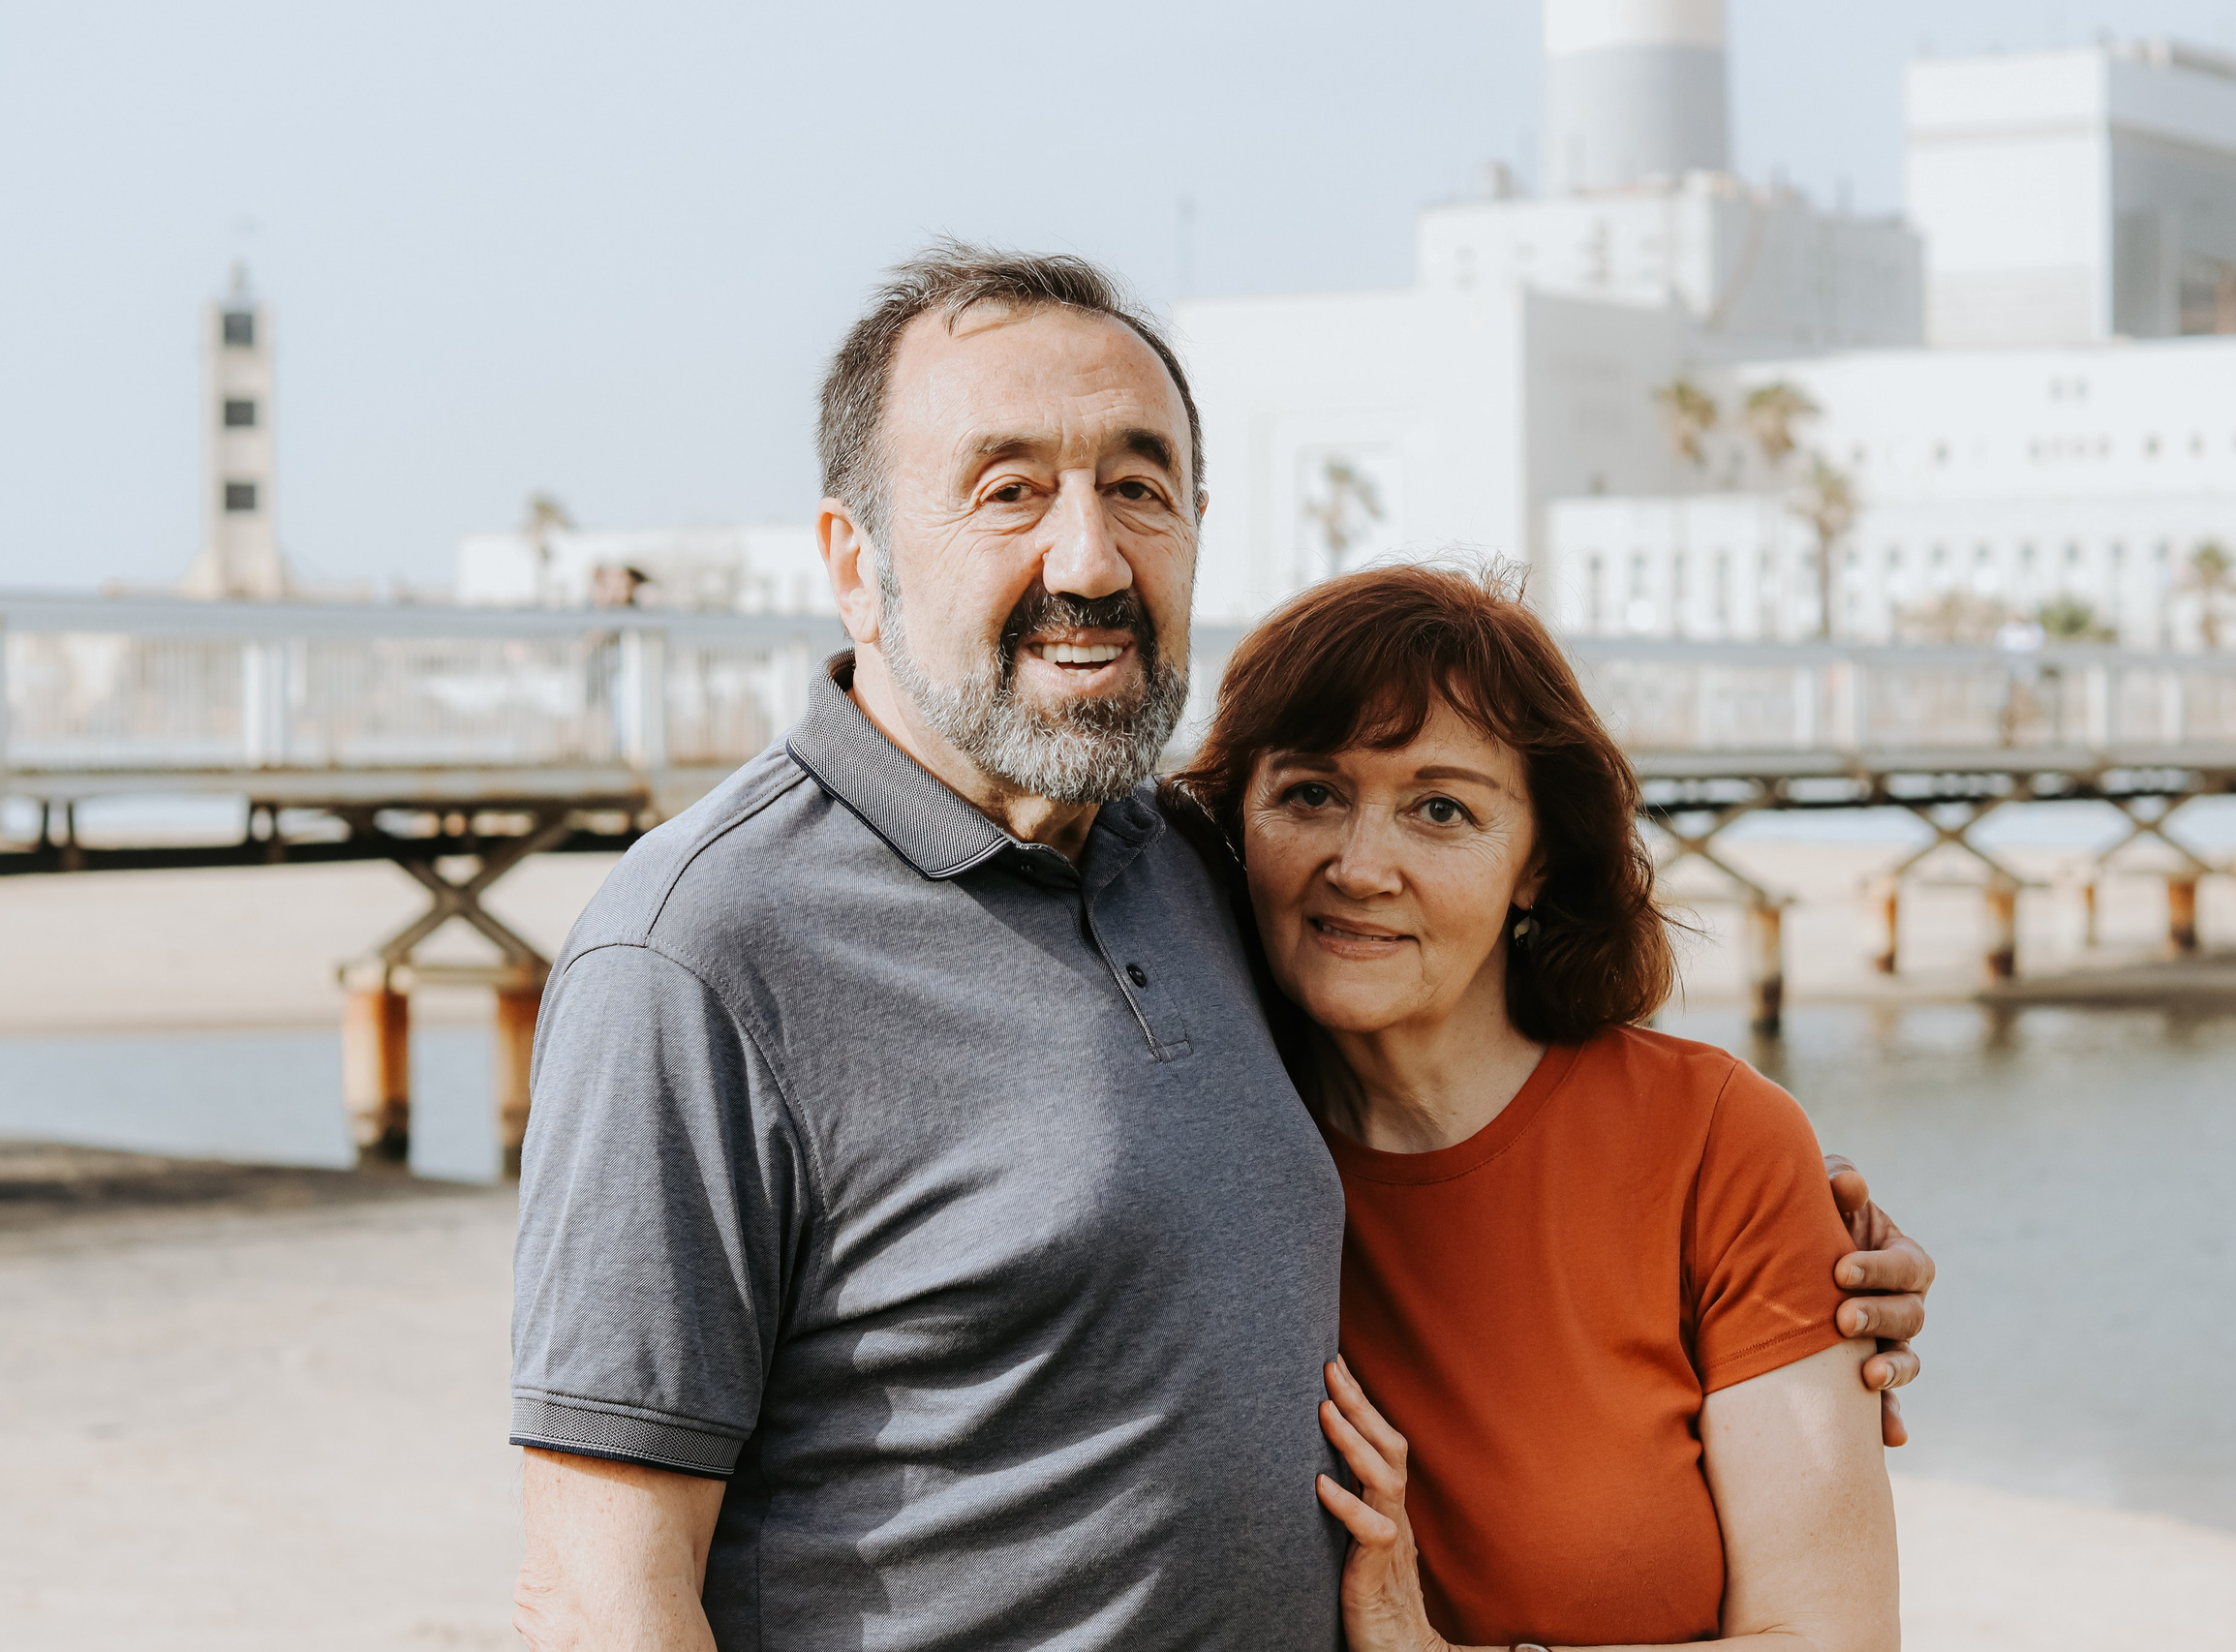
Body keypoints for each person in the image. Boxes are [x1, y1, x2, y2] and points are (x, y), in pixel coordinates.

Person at [506, 242, 1934, 1650]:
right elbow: (596, 1600)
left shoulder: (1193, 867)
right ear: (853, 562)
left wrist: (1798, 1239)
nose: (1090, 558)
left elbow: (1496, 1139)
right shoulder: (698, 955)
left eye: (1140, 489)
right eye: (1009, 490)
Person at [1169, 564, 1907, 1650]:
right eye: (1311, 793)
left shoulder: (1718, 1142)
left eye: (1441, 809)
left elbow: (1831, 1637)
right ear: (1239, 821)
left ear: (1538, 861)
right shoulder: (1181, 1143)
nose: (1360, 866)